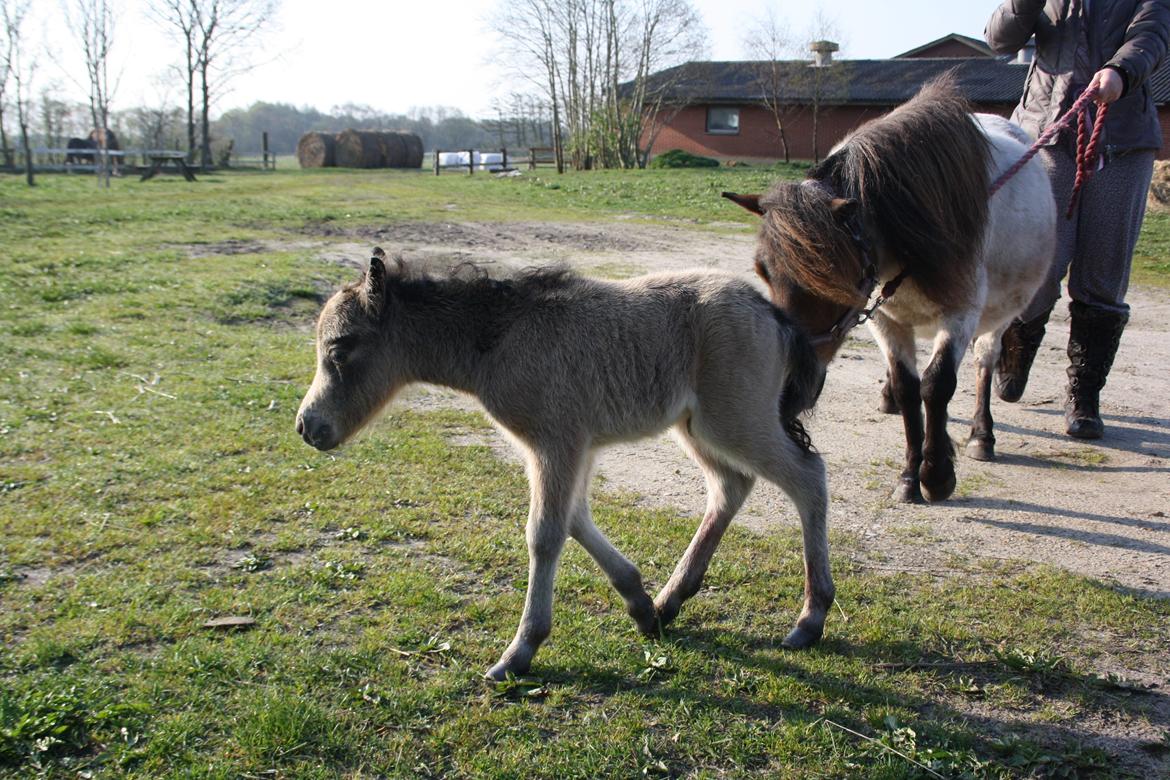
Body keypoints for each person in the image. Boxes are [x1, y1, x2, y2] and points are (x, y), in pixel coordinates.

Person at [985, 0, 1169, 439]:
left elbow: (1152, 35)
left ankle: (1084, 396)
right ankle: (1016, 351)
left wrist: (1122, 72)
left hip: (1122, 138)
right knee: (1039, 266)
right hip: (1046, 130)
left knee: (1103, 276)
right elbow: (998, 40)